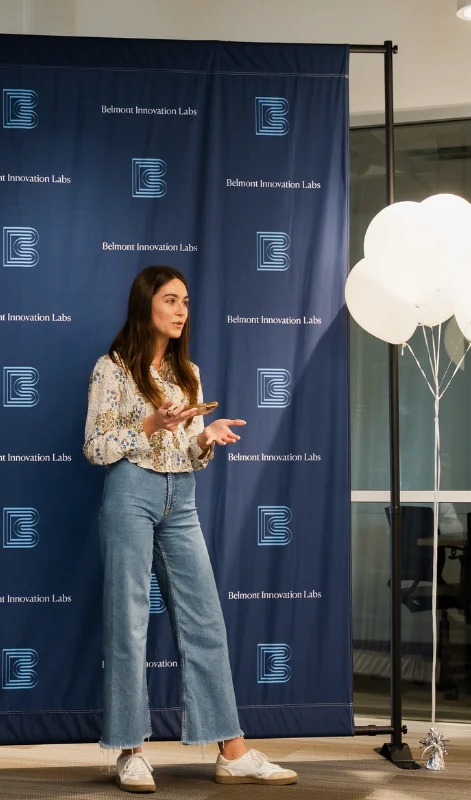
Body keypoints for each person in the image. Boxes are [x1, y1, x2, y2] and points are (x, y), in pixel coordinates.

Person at [84, 265, 298, 792]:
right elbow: (94, 446)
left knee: (205, 620)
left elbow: (190, 450)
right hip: (130, 491)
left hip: (181, 498)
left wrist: (205, 438)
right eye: (171, 300)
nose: (181, 310)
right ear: (146, 305)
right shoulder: (112, 369)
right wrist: (148, 425)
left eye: (185, 301)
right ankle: (132, 750)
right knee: (129, 622)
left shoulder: (188, 373)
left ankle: (232, 750)